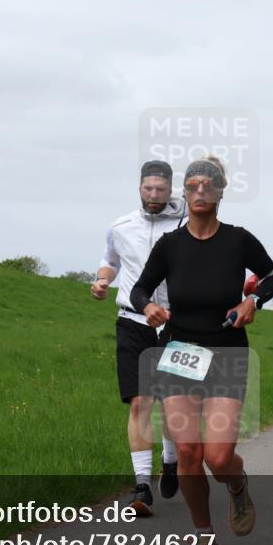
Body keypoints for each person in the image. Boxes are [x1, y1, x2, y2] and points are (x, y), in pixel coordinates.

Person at [131, 155, 273, 545]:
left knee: (217, 458)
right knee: (187, 452)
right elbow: (140, 290)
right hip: (180, 352)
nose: (200, 191)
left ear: (220, 192)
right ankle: (203, 535)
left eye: (208, 185)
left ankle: (236, 484)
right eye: (193, 185)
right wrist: (148, 307)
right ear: (184, 192)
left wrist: (252, 301)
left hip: (227, 353)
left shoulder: (238, 240)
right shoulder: (170, 245)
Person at [93, 160, 185, 516]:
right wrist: (103, 279)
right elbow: (110, 260)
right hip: (133, 321)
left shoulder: (185, 223)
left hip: (177, 324)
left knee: (172, 405)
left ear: (170, 189)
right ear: (139, 188)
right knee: (139, 403)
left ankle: (171, 460)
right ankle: (143, 486)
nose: (154, 195)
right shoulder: (121, 227)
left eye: (161, 189)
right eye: (148, 188)